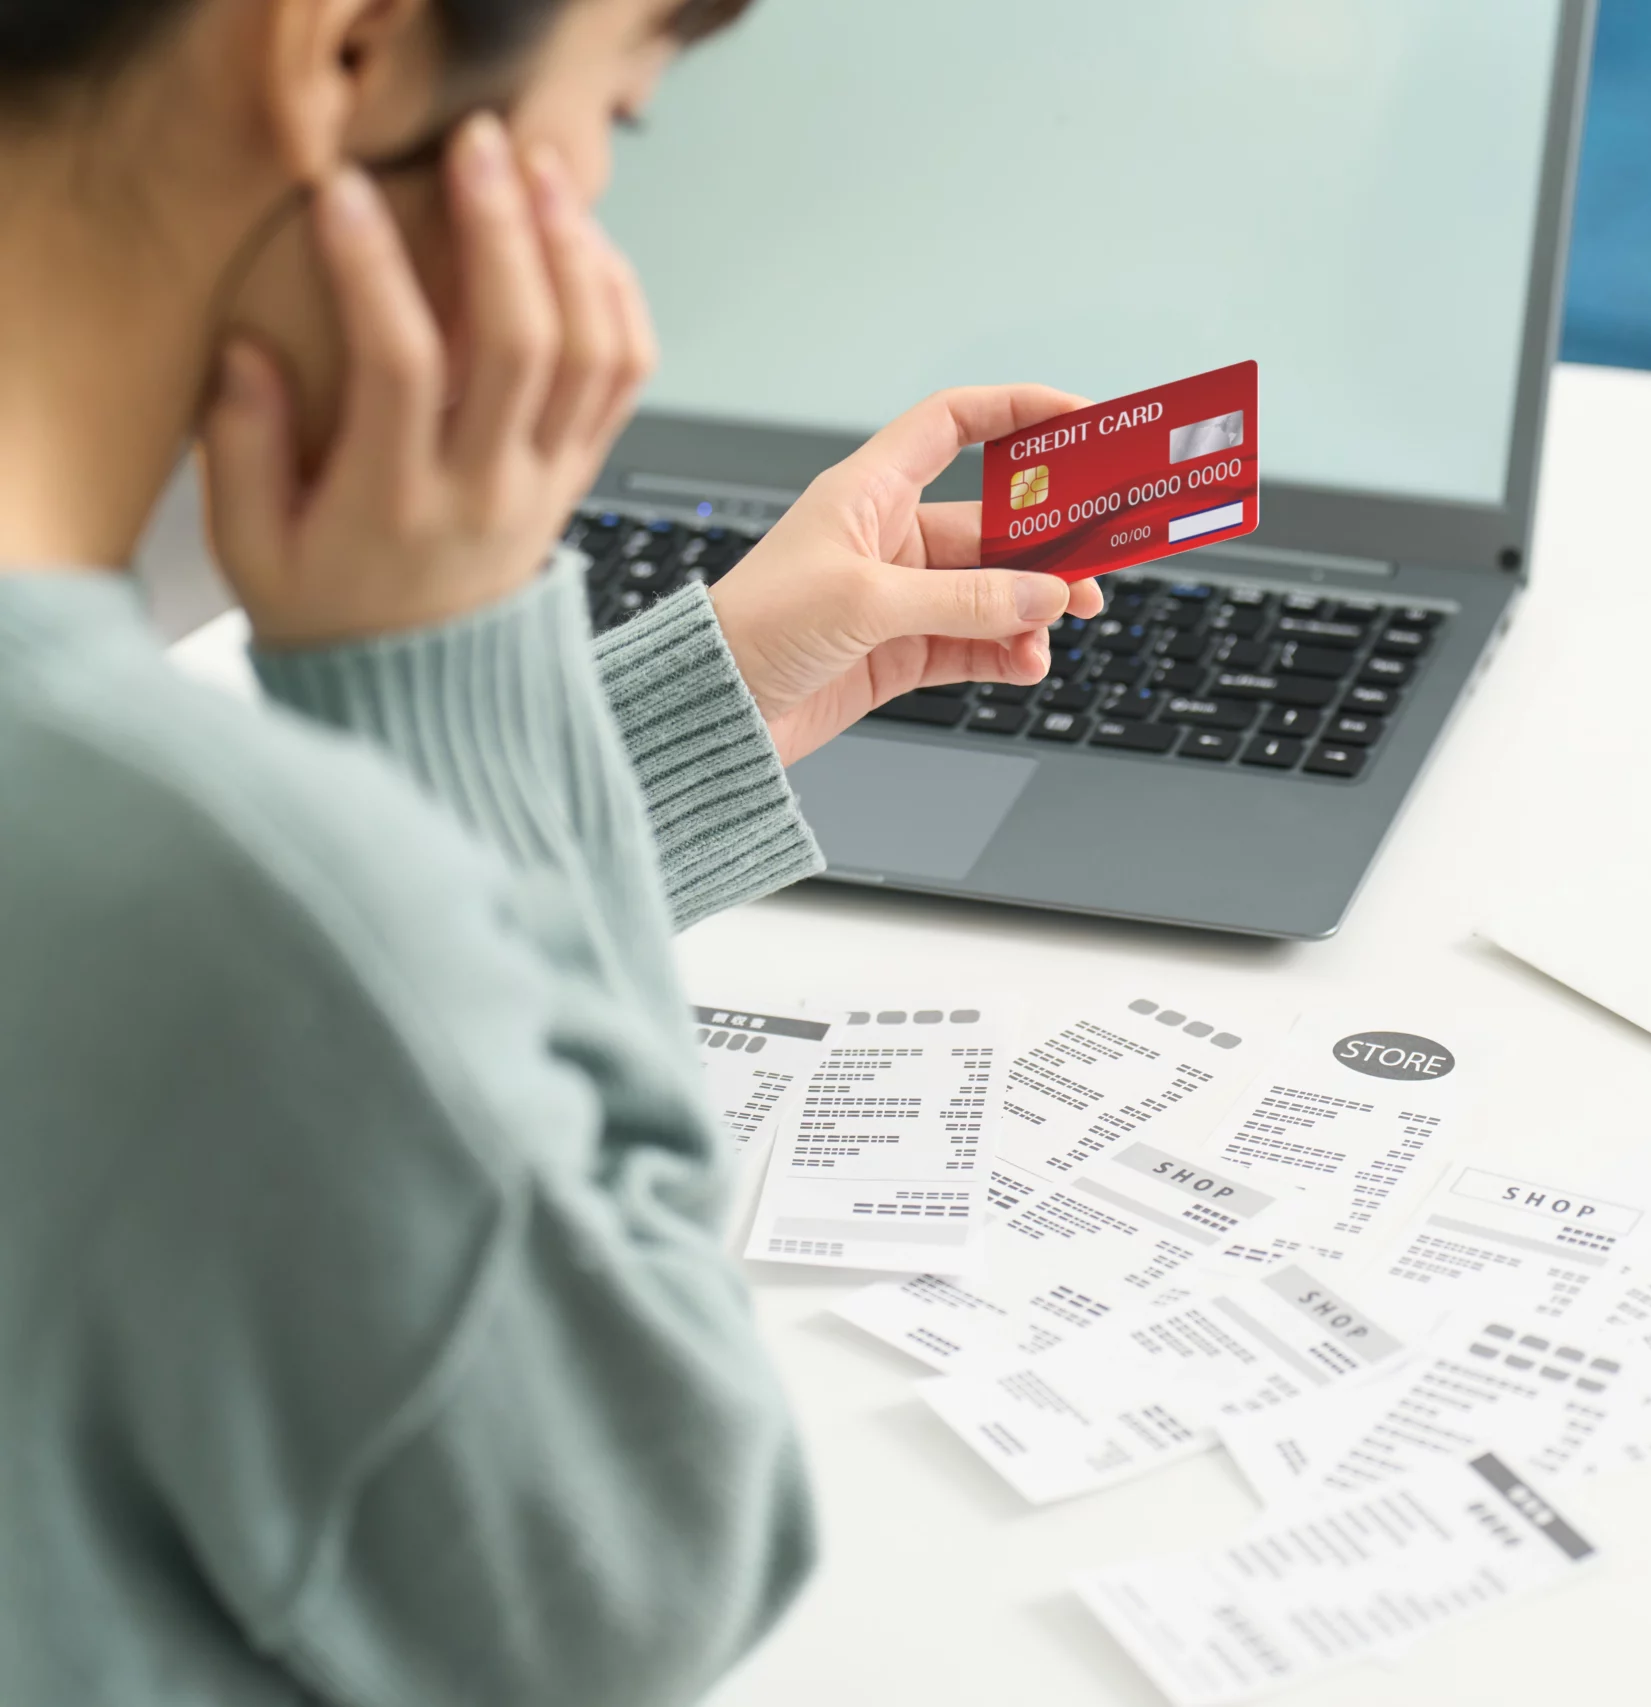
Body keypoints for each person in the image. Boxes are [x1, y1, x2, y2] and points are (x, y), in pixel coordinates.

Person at [0, 1, 1106, 1701]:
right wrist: (452, 661)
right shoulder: (205, 911)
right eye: (621, 109)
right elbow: (637, 1563)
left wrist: (674, 719)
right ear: (346, 55)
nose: (594, 196)